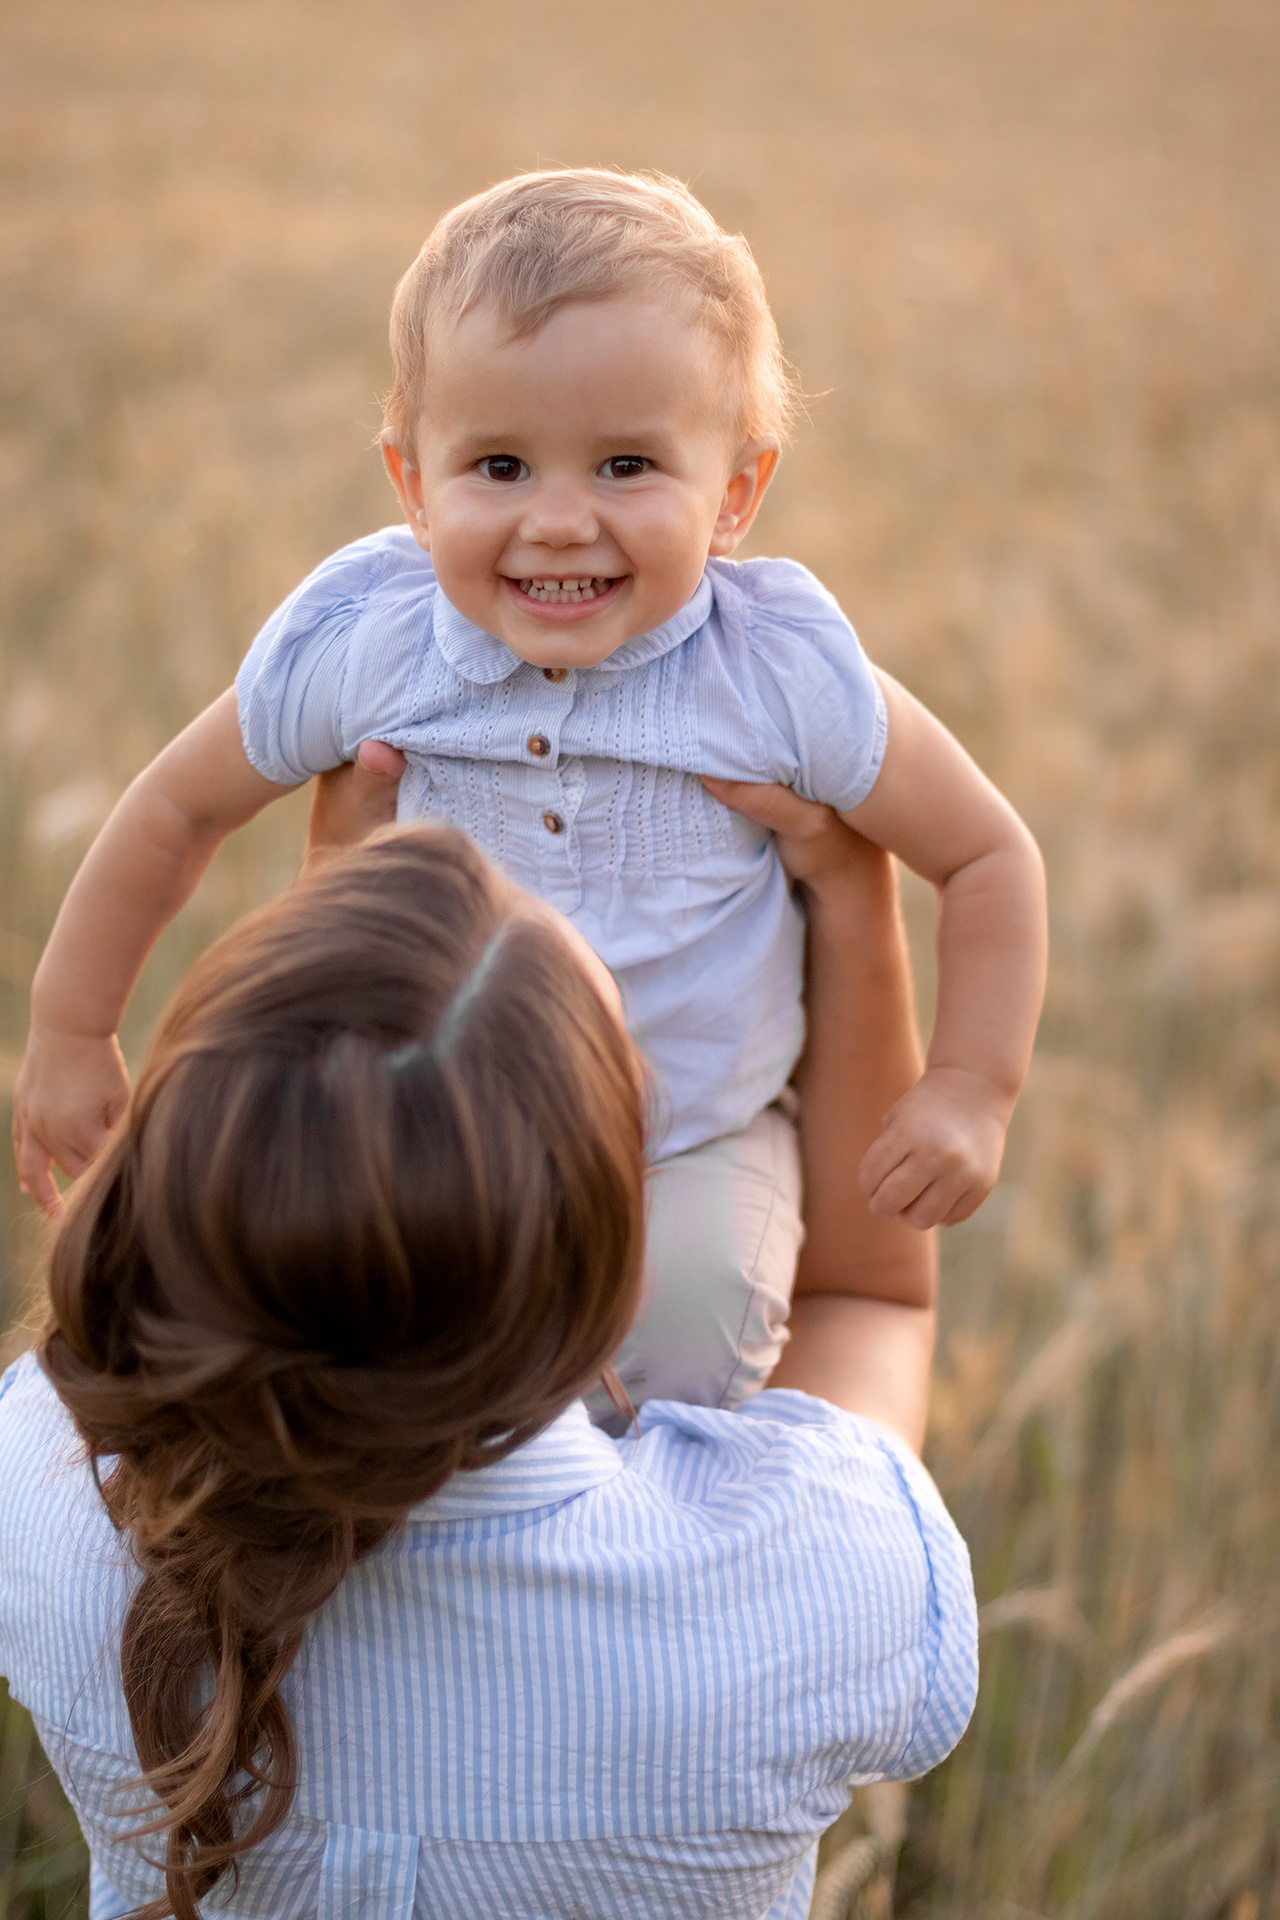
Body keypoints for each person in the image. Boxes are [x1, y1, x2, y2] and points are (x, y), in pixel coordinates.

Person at [12, 167, 1047, 1420]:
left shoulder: (776, 672)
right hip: (427, 1128)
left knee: (680, 1334)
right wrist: (72, 1028)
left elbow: (985, 854)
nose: (558, 521)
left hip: (690, 1137)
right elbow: (176, 810)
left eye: (625, 465)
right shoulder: (372, 645)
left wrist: (970, 1087)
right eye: (498, 466)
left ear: (734, 494)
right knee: (349, 1341)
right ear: (411, 485)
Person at [0, 809, 975, 1920]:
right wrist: (852, 894)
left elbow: (289, 1219)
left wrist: (328, 1029)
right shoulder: (801, 1593)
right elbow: (869, 1302)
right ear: (619, 1273)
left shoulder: (44, 1486)